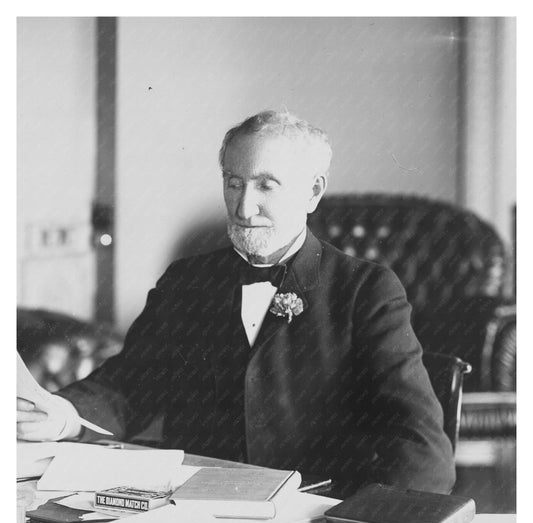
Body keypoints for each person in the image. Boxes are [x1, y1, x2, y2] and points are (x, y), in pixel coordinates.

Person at [17, 110, 455, 496]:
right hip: (193, 512)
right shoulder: (186, 282)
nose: (245, 206)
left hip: (316, 517)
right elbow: (129, 386)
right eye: (234, 183)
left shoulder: (365, 289)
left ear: (313, 191)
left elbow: (416, 439)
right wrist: (63, 415)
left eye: (267, 185)